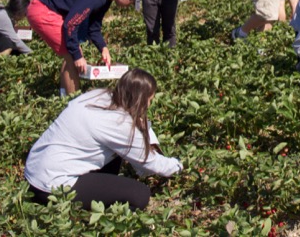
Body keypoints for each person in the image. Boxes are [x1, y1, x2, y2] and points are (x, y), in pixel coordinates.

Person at [24, 68, 183, 211]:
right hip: (52, 187)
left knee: (116, 153)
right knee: (140, 194)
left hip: (35, 171)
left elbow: (139, 126)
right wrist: (180, 166)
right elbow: (150, 163)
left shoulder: (99, 95)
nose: (150, 104)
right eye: (150, 100)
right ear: (142, 99)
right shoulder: (119, 124)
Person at [26, 0, 146, 96]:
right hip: (42, 10)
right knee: (73, 56)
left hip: (45, 8)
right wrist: (77, 56)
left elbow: (93, 28)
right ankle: (73, 102)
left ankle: (64, 96)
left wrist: (103, 48)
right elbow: (71, 23)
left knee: (71, 55)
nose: (129, 6)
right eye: (131, 2)